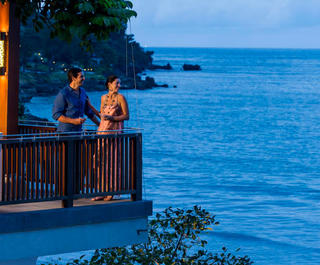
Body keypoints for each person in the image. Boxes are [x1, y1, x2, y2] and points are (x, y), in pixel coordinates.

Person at [92, 75, 129, 201]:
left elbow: (126, 116)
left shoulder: (121, 98)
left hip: (114, 133)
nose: (119, 86)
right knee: (99, 161)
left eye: (119, 83)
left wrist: (112, 118)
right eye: (116, 83)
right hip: (102, 131)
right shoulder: (103, 98)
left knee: (112, 162)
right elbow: (101, 115)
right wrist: (90, 106)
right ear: (109, 84)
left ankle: (112, 191)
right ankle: (101, 190)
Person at [52, 67, 100, 132]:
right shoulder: (63, 93)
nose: (84, 78)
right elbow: (56, 115)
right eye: (81, 77)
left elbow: (88, 112)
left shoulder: (83, 92)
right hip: (65, 133)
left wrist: (100, 125)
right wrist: (73, 121)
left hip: (78, 132)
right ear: (73, 78)